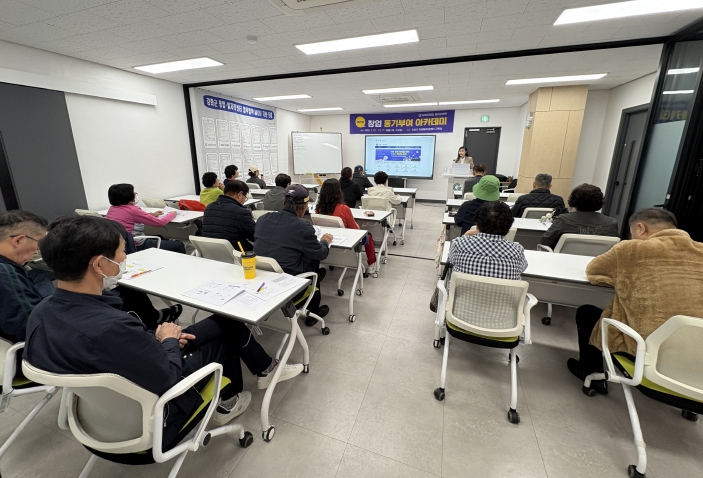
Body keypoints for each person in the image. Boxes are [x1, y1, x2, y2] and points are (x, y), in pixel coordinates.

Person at [23, 215, 304, 448]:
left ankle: (265, 367)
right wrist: (168, 341)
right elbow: (168, 377)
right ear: (99, 264)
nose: (125, 257)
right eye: (122, 251)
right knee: (222, 341)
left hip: (106, 409)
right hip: (161, 415)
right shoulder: (113, 327)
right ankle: (228, 401)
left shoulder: (42, 311)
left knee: (224, 320)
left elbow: (124, 353)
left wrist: (158, 341)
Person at [567, 208, 703, 394]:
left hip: (647, 353)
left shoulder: (632, 250)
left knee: (587, 313)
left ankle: (591, 372)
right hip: (696, 358)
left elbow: (593, 272)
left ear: (641, 228)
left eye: (633, 234)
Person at [254, 185, 332, 321]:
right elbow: (321, 253)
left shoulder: (262, 219)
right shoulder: (303, 227)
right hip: (289, 284)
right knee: (313, 257)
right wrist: (325, 241)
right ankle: (313, 310)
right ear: (304, 206)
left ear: (283, 201)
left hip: (261, 280)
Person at [0, 210, 53, 344]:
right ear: (18, 240)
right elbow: (34, 327)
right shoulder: (6, 273)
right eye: (39, 244)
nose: (37, 250)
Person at [448, 202, 527, 287]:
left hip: (460, 295)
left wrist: (464, 237)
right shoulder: (517, 251)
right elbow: (522, 268)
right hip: (501, 296)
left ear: (477, 224)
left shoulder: (459, 244)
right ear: (509, 227)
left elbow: (451, 259)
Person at [315, 178, 377, 274]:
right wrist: (358, 224)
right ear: (338, 192)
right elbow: (355, 229)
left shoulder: (319, 208)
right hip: (345, 240)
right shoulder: (344, 208)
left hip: (327, 240)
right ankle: (371, 264)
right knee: (368, 235)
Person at [105, 183, 185, 254]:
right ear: (127, 196)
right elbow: (160, 223)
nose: (135, 193)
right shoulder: (133, 210)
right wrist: (172, 214)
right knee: (179, 245)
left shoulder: (112, 209)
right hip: (135, 245)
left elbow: (129, 217)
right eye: (133, 192)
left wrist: (151, 214)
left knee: (160, 237)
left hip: (119, 246)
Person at [540, 184, 618, 249]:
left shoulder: (562, 220)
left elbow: (545, 241)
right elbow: (614, 247)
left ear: (573, 200)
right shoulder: (611, 223)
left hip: (564, 259)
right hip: (597, 261)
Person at [202, 180, 256, 252]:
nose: (244, 200)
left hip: (210, 251)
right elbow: (254, 236)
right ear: (239, 195)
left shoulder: (209, 207)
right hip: (235, 253)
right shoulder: (241, 212)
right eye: (245, 197)